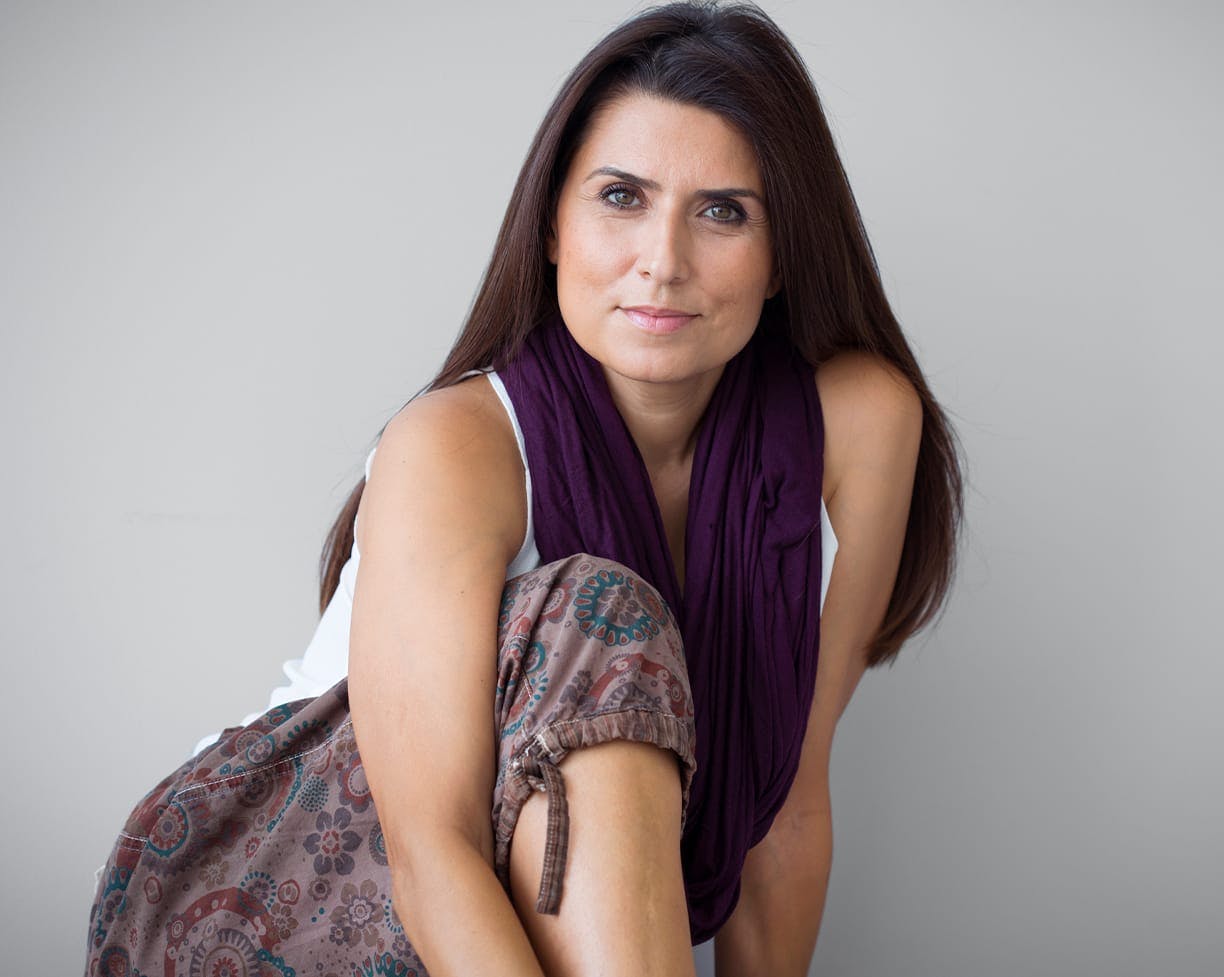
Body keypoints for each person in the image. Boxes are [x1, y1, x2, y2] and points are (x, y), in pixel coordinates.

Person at [85, 2, 963, 975]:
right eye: (621, 197)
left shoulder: (858, 424)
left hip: (546, 885)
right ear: (552, 226)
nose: (662, 261)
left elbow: (786, 806)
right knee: (602, 616)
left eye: (722, 210)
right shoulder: (457, 443)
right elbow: (434, 852)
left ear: (783, 252)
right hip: (281, 891)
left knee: (607, 663)